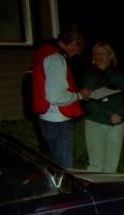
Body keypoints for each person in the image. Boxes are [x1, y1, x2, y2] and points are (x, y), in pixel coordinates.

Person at [31, 24, 90, 169]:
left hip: (46, 119)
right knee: (64, 169)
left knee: (53, 166)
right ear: (74, 43)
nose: (77, 53)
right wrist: (79, 96)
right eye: (78, 48)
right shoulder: (56, 58)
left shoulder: (43, 53)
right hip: (59, 122)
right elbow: (56, 97)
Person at [80, 41, 124, 172]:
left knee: (111, 167)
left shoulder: (118, 72)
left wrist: (106, 70)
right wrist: (109, 115)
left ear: (110, 56)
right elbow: (89, 100)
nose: (98, 57)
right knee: (96, 166)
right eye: (95, 54)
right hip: (96, 122)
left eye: (102, 54)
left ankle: (109, 192)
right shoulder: (89, 74)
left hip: (117, 124)